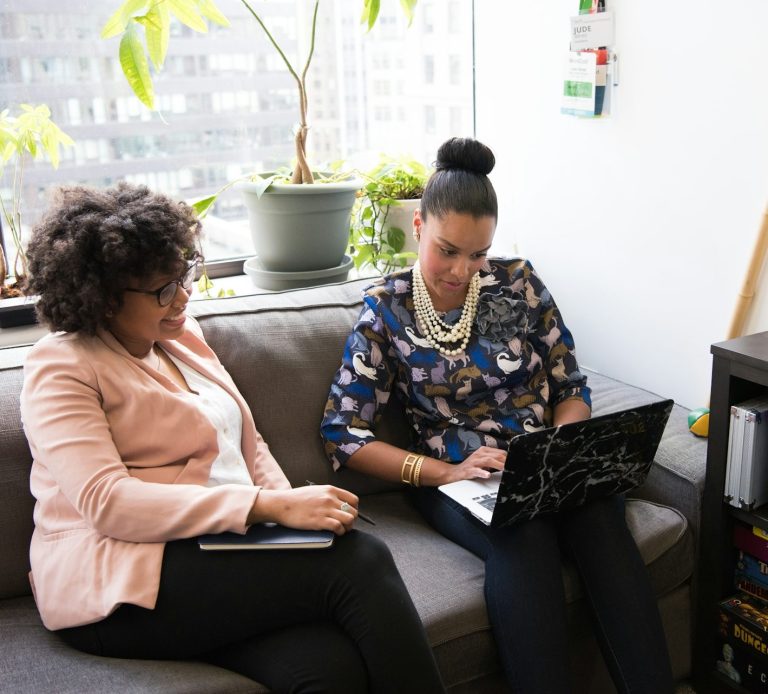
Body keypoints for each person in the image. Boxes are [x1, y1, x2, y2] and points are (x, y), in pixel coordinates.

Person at [20, 182, 445, 694]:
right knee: (362, 560)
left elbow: (249, 443)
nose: (183, 295)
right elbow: (107, 503)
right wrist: (267, 508)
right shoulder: (61, 366)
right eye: (162, 289)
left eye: (183, 274)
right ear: (104, 299)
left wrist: (295, 514)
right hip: (118, 583)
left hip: (213, 553)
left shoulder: (180, 337)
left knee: (329, 670)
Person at [321, 137, 674, 693]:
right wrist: (445, 472)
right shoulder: (385, 309)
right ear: (418, 226)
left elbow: (570, 384)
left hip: (544, 460)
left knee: (600, 514)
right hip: (460, 477)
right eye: (448, 250)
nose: (463, 270)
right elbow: (343, 435)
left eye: (478, 253)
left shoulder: (517, 283)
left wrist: (562, 448)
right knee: (523, 532)